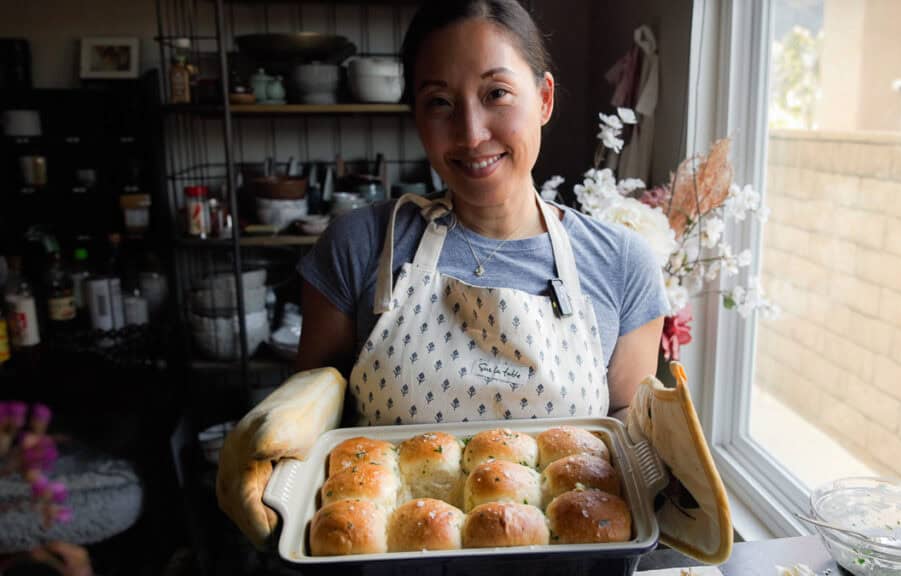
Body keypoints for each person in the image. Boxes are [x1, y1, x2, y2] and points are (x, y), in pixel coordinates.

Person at [217, 0, 670, 549]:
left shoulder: (621, 262)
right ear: (416, 118)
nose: (471, 132)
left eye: (496, 93)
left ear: (544, 98)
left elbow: (622, 437)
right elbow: (314, 415)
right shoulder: (361, 246)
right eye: (439, 102)